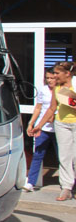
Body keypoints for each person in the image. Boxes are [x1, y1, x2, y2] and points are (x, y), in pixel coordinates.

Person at [31, 60, 76, 201]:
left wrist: (70, 97)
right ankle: (66, 188)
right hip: (62, 124)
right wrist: (39, 125)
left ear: (67, 73)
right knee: (64, 157)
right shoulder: (57, 87)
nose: (54, 76)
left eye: (57, 73)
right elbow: (52, 108)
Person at [24, 71, 57, 191]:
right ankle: (31, 183)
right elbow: (38, 108)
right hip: (43, 128)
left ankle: (67, 185)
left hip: (58, 128)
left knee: (62, 157)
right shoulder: (43, 90)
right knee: (38, 154)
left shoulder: (61, 91)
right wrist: (31, 123)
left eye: (52, 78)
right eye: (47, 78)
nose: (49, 80)